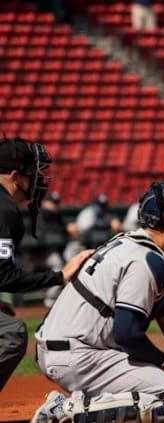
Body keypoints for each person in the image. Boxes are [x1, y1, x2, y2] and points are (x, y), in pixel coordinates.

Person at [32, 181, 164, 423]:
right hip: (77, 355)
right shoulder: (146, 260)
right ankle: (65, 411)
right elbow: (127, 334)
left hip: (68, 347)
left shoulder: (134, 245)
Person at [0, 136, 93, 392]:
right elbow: (3, 277)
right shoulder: (5, 210)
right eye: (33, 174)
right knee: (11, 333)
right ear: (15, 175)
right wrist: (59, 277)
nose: (38, 181)